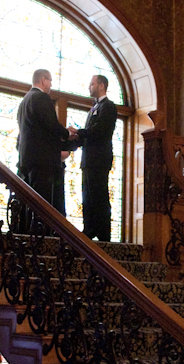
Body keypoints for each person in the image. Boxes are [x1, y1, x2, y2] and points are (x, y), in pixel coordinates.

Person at [69, 75, 117, 242]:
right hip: (88, 159)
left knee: (99, 196)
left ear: (102, 86)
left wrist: (79, 132)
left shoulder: (108, 106)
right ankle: (89, 229)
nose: (89, 86)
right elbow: (90, 133)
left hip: (99, 159)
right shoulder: (94, 107)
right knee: (87, 196)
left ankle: (103, 234)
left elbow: (101, 130)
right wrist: (77, 139)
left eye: (92, 84)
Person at [17, 67, 70, 207]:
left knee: (30, 202)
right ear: (43, 80)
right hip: (42, 160)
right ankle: (39, 230)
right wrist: (68, 134)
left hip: (26, 159)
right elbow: (51, 125)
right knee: (42, 203)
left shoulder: (24, 101)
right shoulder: (41, 97)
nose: (51, 85)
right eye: (50, 81)